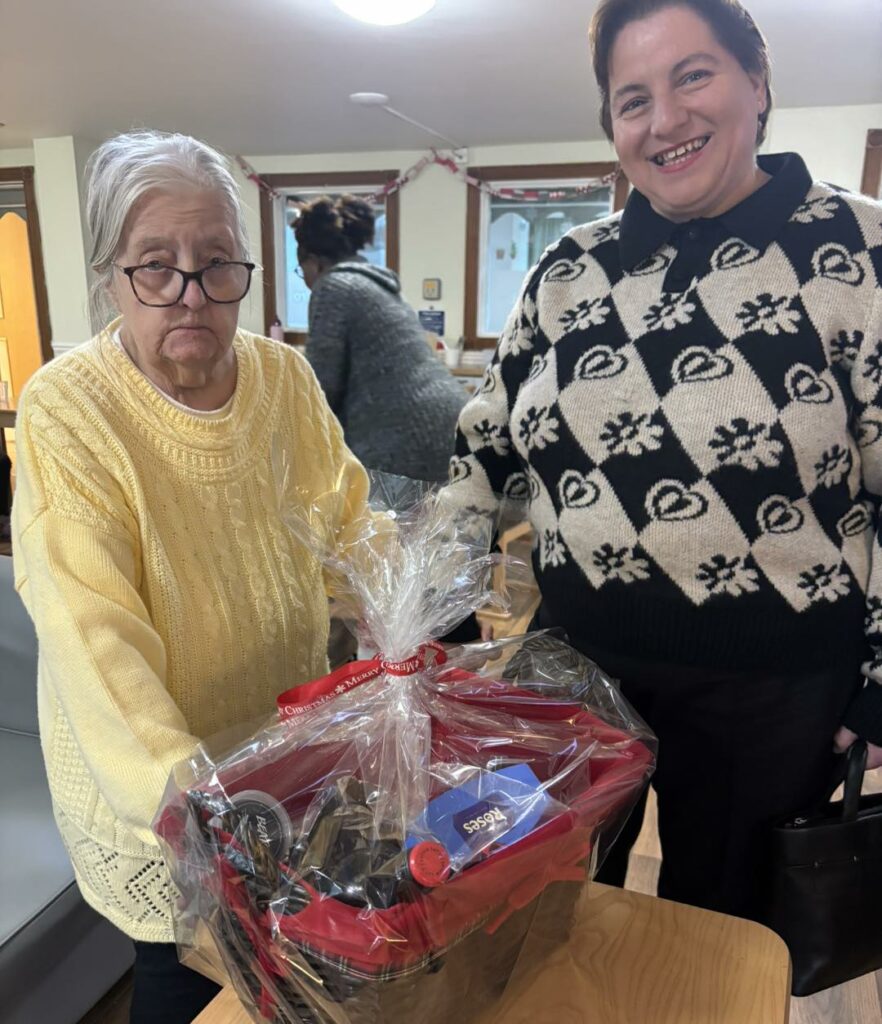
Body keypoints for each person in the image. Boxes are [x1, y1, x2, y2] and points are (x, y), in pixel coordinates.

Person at [447, 0, 882, 923]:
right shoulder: (567, 270)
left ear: (756, 82)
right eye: (633, 98)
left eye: (694, 75)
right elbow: (485, 445)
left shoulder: (860, 250)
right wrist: (434, 614)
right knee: (536, 924)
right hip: (571, 672)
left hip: (771, 695)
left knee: (716, 944)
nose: (666, 119)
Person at [10, 131, 369, 1024]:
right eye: (155, 267)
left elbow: (349, 518)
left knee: (301, 977)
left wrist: (399, 603)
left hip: (285, 759)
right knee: (189, 980)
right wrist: (192, 802)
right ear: (109, 277)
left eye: (216, 264)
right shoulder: (69, 407)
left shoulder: (283, 377)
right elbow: (91, 635)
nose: (192, 293)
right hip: (165, 796)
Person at [295, 195, 466, 483]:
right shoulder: (382, 287)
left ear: (313, 263)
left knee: (372, 513)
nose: (307, 281)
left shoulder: (333, 286)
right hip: (450, 423)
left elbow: (321, 388)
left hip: (404, 436)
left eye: (302, 272)